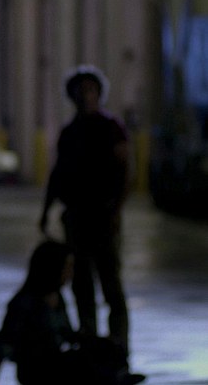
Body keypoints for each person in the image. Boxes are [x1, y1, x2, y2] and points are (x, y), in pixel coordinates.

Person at [38, 65, 132, 357]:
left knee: (110, 282)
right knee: (81, 283)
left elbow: (125, 173)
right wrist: (46, 211)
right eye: (81, 91)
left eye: (91, 90)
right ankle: (89, 343)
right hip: (77, 217)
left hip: (103, 216)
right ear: (73, 96)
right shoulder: (70, 132)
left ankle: (118, 346)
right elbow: (58, 174)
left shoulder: (111, 127)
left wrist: (116, 211)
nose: (86, 96)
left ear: (99, 94)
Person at [0, 240, 144, 385]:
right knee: (83, 365)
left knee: (108, 348)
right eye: (67, 267)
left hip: (56, 360)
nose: (70, 273)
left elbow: (67, 334)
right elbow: (5, 342)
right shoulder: (24, 302)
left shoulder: (57, 297)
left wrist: (97, 342)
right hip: (35, 369)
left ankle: (118, 376)